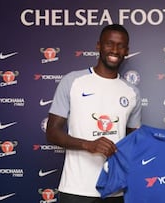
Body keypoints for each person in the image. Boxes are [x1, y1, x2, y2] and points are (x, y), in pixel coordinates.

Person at [46, 24, 142, 203]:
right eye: (109, 43)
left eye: (121, 45)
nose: (114, 49)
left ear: (127, 51)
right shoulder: (72, 81)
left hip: (114, 189)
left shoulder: (132, 92)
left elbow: (133, 140)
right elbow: (52, 132)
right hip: (76, 188)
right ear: (98, 46)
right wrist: (88, 145)